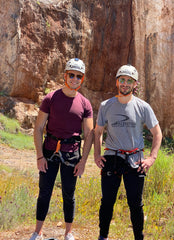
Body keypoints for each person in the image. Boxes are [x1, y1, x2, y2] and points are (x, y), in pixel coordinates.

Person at [94, 64, 162, 240]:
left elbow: (157, 133)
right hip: (112, 158)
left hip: (135, 160)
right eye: (122, 80)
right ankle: (103, 236)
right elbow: (98, 132)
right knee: (107, 202)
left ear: (135, 84)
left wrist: (151, 158)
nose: (125, 83)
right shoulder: (106, 105)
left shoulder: (143, 107)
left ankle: (138, 237)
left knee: (135, 204)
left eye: (129, 81)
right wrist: (96, 154)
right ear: (117, 82)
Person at [30, 58, 94, 240]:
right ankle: (37, 232)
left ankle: (68, 233)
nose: (74, 79)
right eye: (71, 75)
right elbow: (39, 128)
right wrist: (39, 156)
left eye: (78, 76)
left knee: (69, 194)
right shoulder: (51, 98)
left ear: (82, 79)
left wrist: (83, 162)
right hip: (49, 151)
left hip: (72, 153)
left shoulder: (85, 104)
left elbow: (89, 134)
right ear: (65, 75)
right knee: (44, 192)